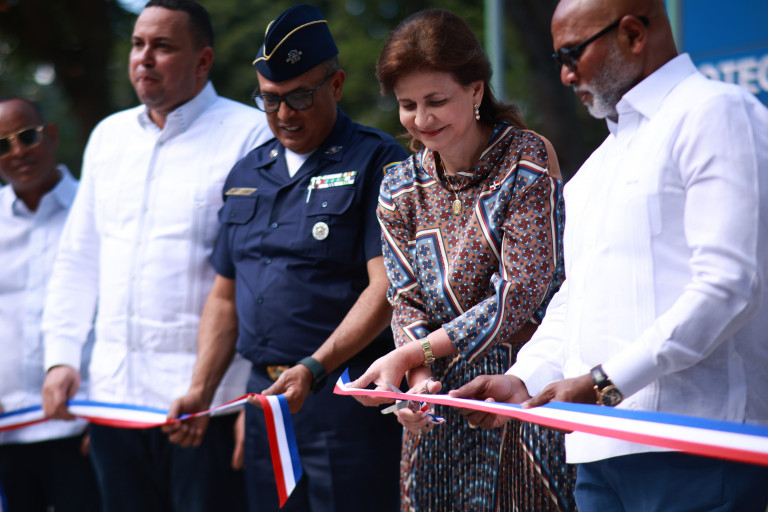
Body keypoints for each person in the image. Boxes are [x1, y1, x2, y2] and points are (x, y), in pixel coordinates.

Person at [451, 0, 768, 511]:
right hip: (597, 453)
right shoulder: (594, 170)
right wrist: (524, 378)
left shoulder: (715, 112)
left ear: (633, 35)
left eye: (572, 54)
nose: (565, 74)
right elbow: (575, 299)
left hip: (695, 445)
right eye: (558, 59)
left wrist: (603, 384)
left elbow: (730, 287)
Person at [164, 4, 406, 512]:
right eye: (269, 99)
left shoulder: (377, 160)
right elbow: (225, 296)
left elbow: (386, 288)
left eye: (299, 96)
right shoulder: (246, 173)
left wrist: (314, 368)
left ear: (336, 85)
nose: (283, 114)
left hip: (345, 396)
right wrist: (201, 390)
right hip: (266, 402)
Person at [39, 1, 271, 510]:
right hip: (113, 398)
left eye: (162, 46)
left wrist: (256, 398)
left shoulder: (251, 134)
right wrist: (61, 358)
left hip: (206, 405)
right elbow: (78, 257)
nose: (144, 57)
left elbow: (264, 277)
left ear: (203, 61)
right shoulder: (108, 136)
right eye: (137, 44)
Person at [349, 9, 576, 511]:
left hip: (519, 387)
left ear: (475, 90)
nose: (421, 120)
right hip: (436, 410)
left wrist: (410, 357)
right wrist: (417, 388)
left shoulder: (526, 158)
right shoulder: (399, 185)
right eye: (408, 105)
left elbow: (519, 293)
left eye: (436, 101)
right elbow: (405, 300)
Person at [0, 96, 99, 511]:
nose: (17, 151)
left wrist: (103, 421)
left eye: (27, 136)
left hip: (81, 425)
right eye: (3, 144)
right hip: (7, 433)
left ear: (52, 134)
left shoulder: (95, 210)